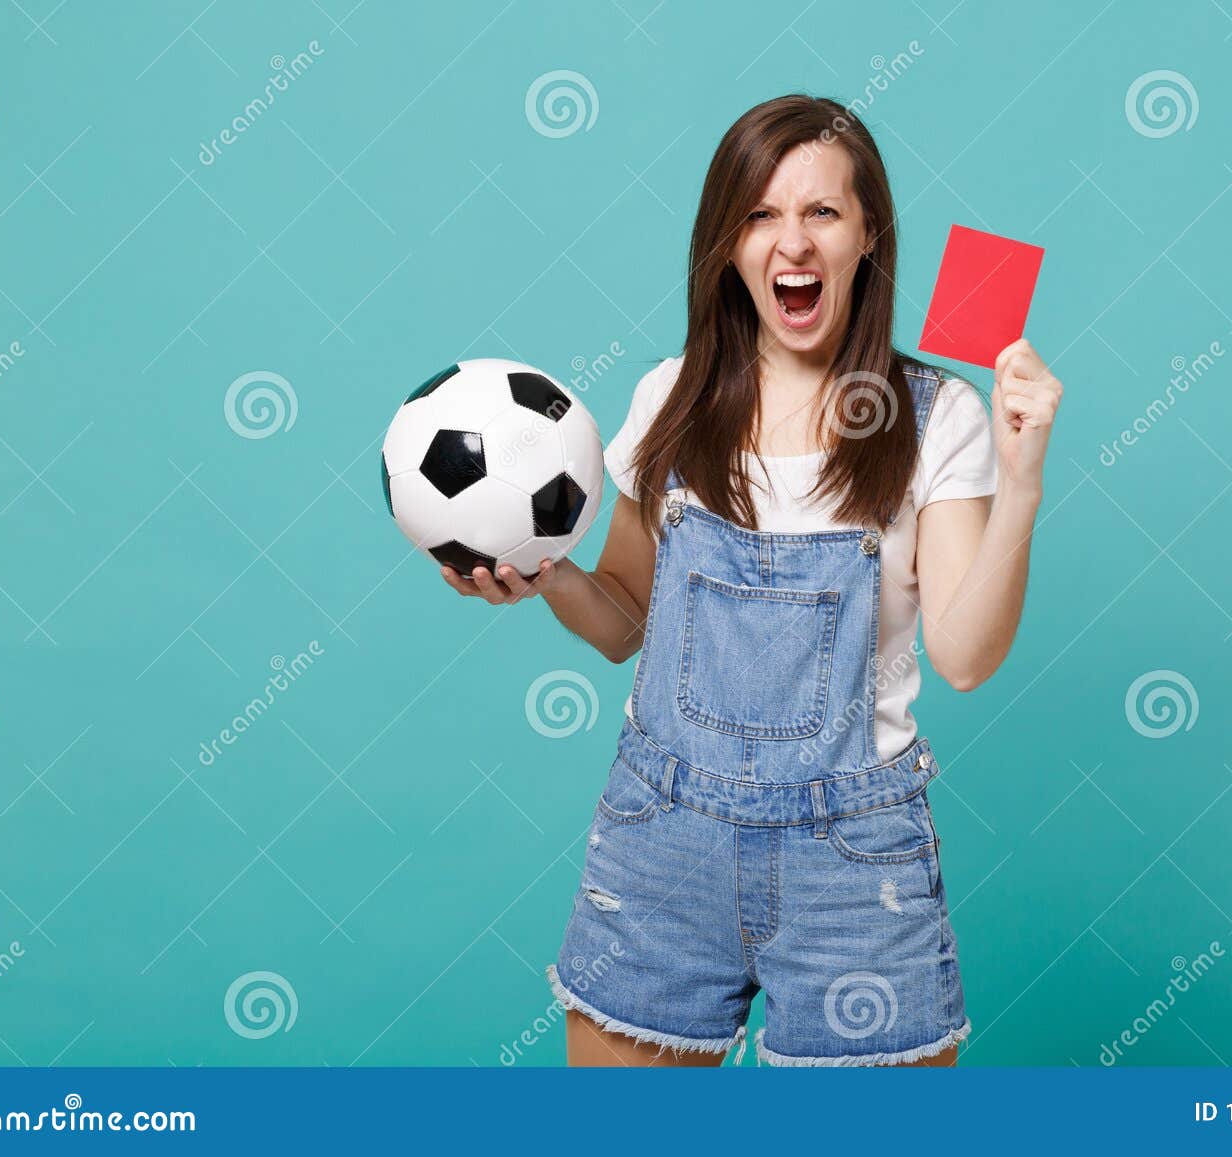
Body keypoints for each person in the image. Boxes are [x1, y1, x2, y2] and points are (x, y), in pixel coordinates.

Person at [440, 94, 1063, 1066]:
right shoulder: (671, 397)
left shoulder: (937, 417)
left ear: (868, 235)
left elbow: (967, 656)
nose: (792, 243)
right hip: (661, 841)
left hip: (854, 864)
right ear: (725, 245)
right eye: (760, 215)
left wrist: (1021, 483)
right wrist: (546, 573)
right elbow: (622, 622)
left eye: (823, 212)